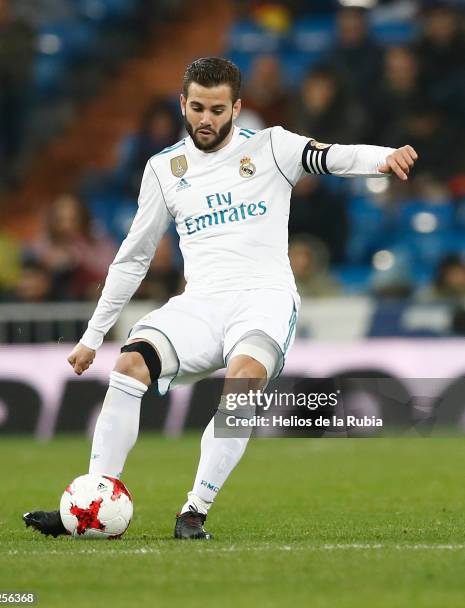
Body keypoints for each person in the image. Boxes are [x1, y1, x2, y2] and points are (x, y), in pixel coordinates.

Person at [23, 57, 417, 540]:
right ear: (182, 105)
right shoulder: (164, 168)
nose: (205, 119)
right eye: (196, 108)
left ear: (236, 107)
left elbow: (332, 156)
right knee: (129, 366)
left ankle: (194, 511)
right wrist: (93, 335)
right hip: (202, 302)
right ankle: (91, 503)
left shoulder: (272, 146)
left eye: (216, 109)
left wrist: (384, 156)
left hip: (264, 297)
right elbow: (132, 258)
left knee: (244, 379)